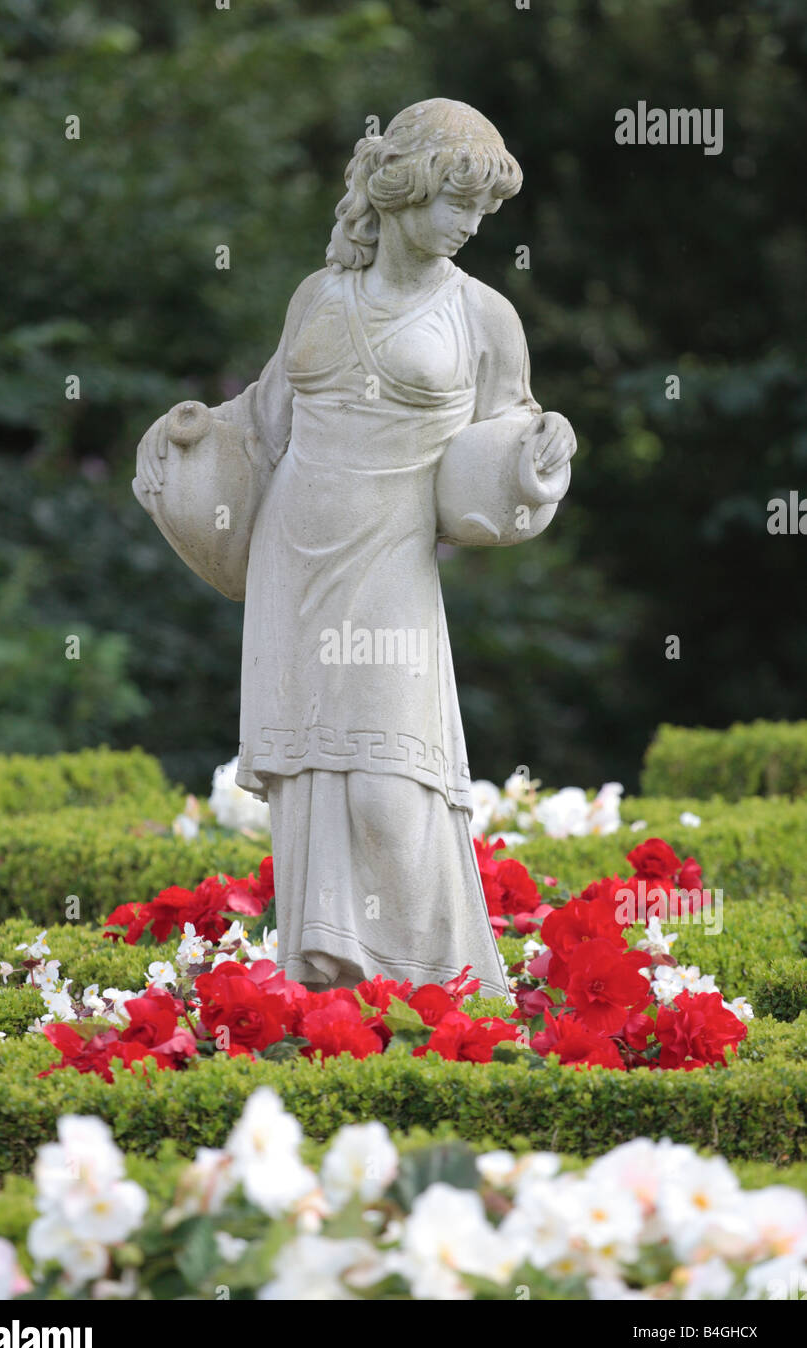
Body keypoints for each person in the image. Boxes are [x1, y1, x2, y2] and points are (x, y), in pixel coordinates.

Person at [137, 98, 576, 997]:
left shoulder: (484, 315)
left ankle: (433, 991)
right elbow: (262, 426)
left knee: (389, 785)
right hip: (294, 550)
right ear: (403, 186)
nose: (468, 225)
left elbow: (513, 432)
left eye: (482, 212)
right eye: (457, 202)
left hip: (392, 554)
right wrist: (193, 438)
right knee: (309, 780)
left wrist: (542, 455)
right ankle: (325, 983)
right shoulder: (318, 295)